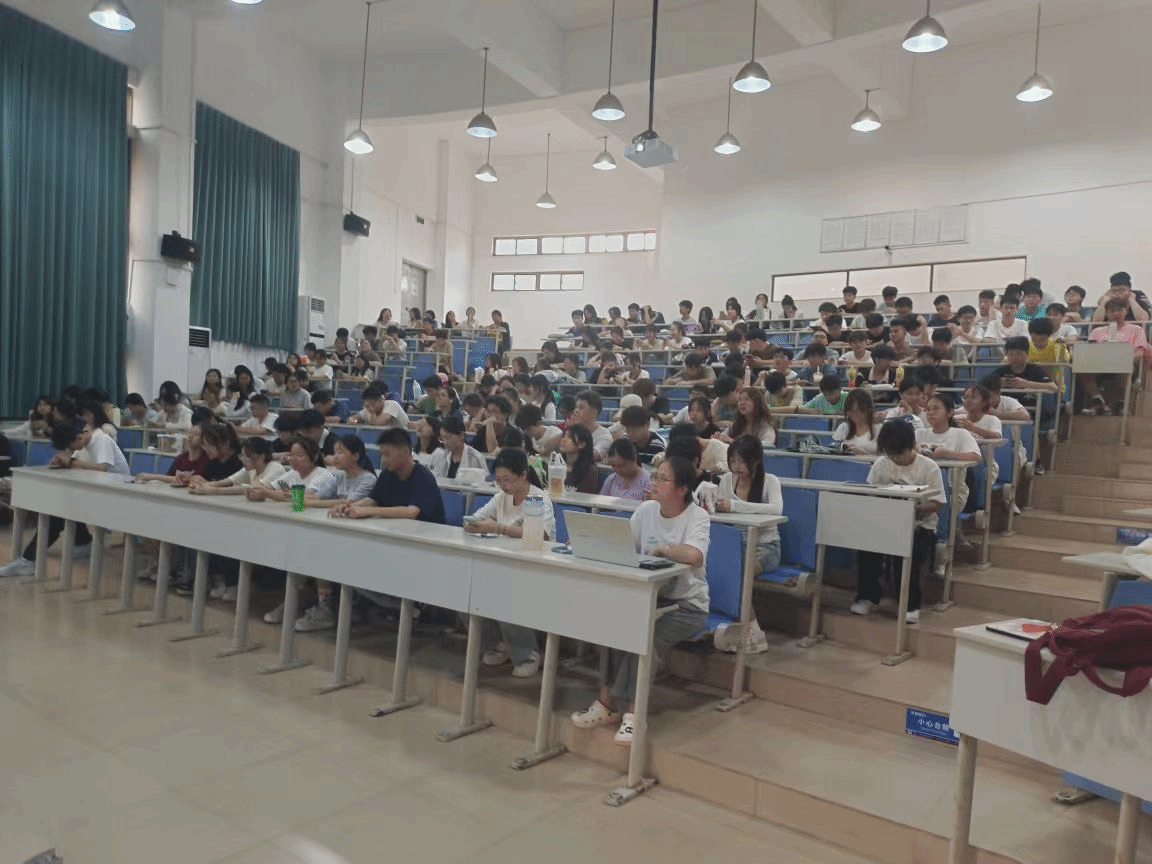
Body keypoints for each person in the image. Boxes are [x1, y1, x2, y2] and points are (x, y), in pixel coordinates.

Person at [569, 456, 709, 745]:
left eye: (662, 479)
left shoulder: (697, 516)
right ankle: (607, 704)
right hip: (648, 598)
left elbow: (695, 556)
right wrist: (592, 542)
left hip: (686, 606)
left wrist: (664, 549)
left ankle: (634, 714)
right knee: (611, 625)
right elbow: (623, 545)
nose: (653, 483)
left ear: (682, 488)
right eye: (655, 476)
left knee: (642, 637)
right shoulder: (646, 510)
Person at [0, 419, 130, 577]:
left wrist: (73, 462)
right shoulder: (82, 444)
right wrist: (62, 462)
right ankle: (83, 542)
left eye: (70, 446)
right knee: (59, 507)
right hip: (95, 493)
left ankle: (28, 561)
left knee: (57, 515)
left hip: (116, 496)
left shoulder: (102, 440)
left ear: (78, 437)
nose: (70, 450)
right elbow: (75, 464)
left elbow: (102, 468)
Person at [468, 448, 555, 678]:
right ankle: (498, 644)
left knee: (505, 592)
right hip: (504, 562)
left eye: (508, 480)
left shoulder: (537, 497)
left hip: (536, 567)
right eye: (498, 480)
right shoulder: (501, 498)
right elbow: (473, 520)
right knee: (468, 589)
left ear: (523, 475)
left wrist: (498, 528)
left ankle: (527, 653)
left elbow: (538, 536)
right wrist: (475, 524)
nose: (503, 485)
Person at [850, 421, 945, 625]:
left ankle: (911, 604)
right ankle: (868, 596)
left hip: (919, 526)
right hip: (886, 521)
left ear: (912, 446)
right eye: (890, 454)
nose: (895, 459)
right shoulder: (881, 464)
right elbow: (871, 493)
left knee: (910, 550)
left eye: (899, 454)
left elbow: (938, 503)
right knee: (866, 547)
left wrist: (913, 508)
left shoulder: (929, 467)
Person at [716, 435, 783, 572]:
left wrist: (734, 506)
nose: (736, 466)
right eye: (733, 461)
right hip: (736, 544)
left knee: (739, 570)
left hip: (765, 546)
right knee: (716, 563)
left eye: (743, 461)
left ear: (756, 460)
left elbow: (776, 509)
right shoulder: (727, 479)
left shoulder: (771, 481)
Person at [1082, 297, 1152, 414]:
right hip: (1101, 363)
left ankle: (1121, 404)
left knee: (1122, 367)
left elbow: (1140, 353)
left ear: (1126, 311)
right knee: (1080, 367)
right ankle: (1097, 400)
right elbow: (1090, 351)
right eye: (1112, 311)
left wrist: (1124, 359)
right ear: (1106, 313)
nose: (1116, 314)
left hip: (1128, 363)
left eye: (1119, 310)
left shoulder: (1137, 330)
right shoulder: (1097, 331)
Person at [916, 393, 982, 511]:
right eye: (928, 409)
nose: (930, 413)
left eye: (936, 408)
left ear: (950, 413)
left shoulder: (961, 434)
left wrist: (945, 453)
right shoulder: (919, 434)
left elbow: (976, 457)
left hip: (953, 492)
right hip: (920, 488)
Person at [188, 436, 286, 496]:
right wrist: (202, 485)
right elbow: (225, 482)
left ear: (261, 456)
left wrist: (213, 491)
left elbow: (255, 489)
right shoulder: (251, 469)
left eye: (246, 456)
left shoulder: (276, 468)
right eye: (242, 456)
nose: (242, 460)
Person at [429, 415, 486, 479]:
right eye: (442, 439)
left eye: (448, 437)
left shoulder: (475, 457)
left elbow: (485, 481)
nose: (445, 442)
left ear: (461, 435)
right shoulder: (440, 455)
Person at [833, 389, 879, 454]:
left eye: (858, 411)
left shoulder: (879, 429)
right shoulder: (843, 428)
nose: (854, 415)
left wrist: (865, 454)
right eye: (851, 411)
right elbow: (832, 451)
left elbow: (887, 458)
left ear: (868, 409)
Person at [559, 424, 600, 494]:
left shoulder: (590, 471)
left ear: (582, 444)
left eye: (569, 437)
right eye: (564, 436)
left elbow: (586, 497)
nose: (563, 440)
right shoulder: (556, 465)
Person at [573, 390, 613, 460]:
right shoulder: (572, 431)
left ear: (593, 413)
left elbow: (592, 455)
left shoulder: (605, 436)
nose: (576, 411)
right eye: (576, 407)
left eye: (581, 408)